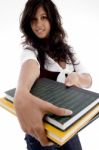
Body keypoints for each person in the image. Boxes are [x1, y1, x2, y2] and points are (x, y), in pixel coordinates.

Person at [14, 0, 92, 149]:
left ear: (52, 19)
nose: (38, 24)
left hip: (68, 124)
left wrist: (78, 78)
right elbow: (30, 65)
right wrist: (21, 91)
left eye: (43, 17)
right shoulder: (30, 50)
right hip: (40, 130)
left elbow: (88, 79)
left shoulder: (69, 51)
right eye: (33, 19)